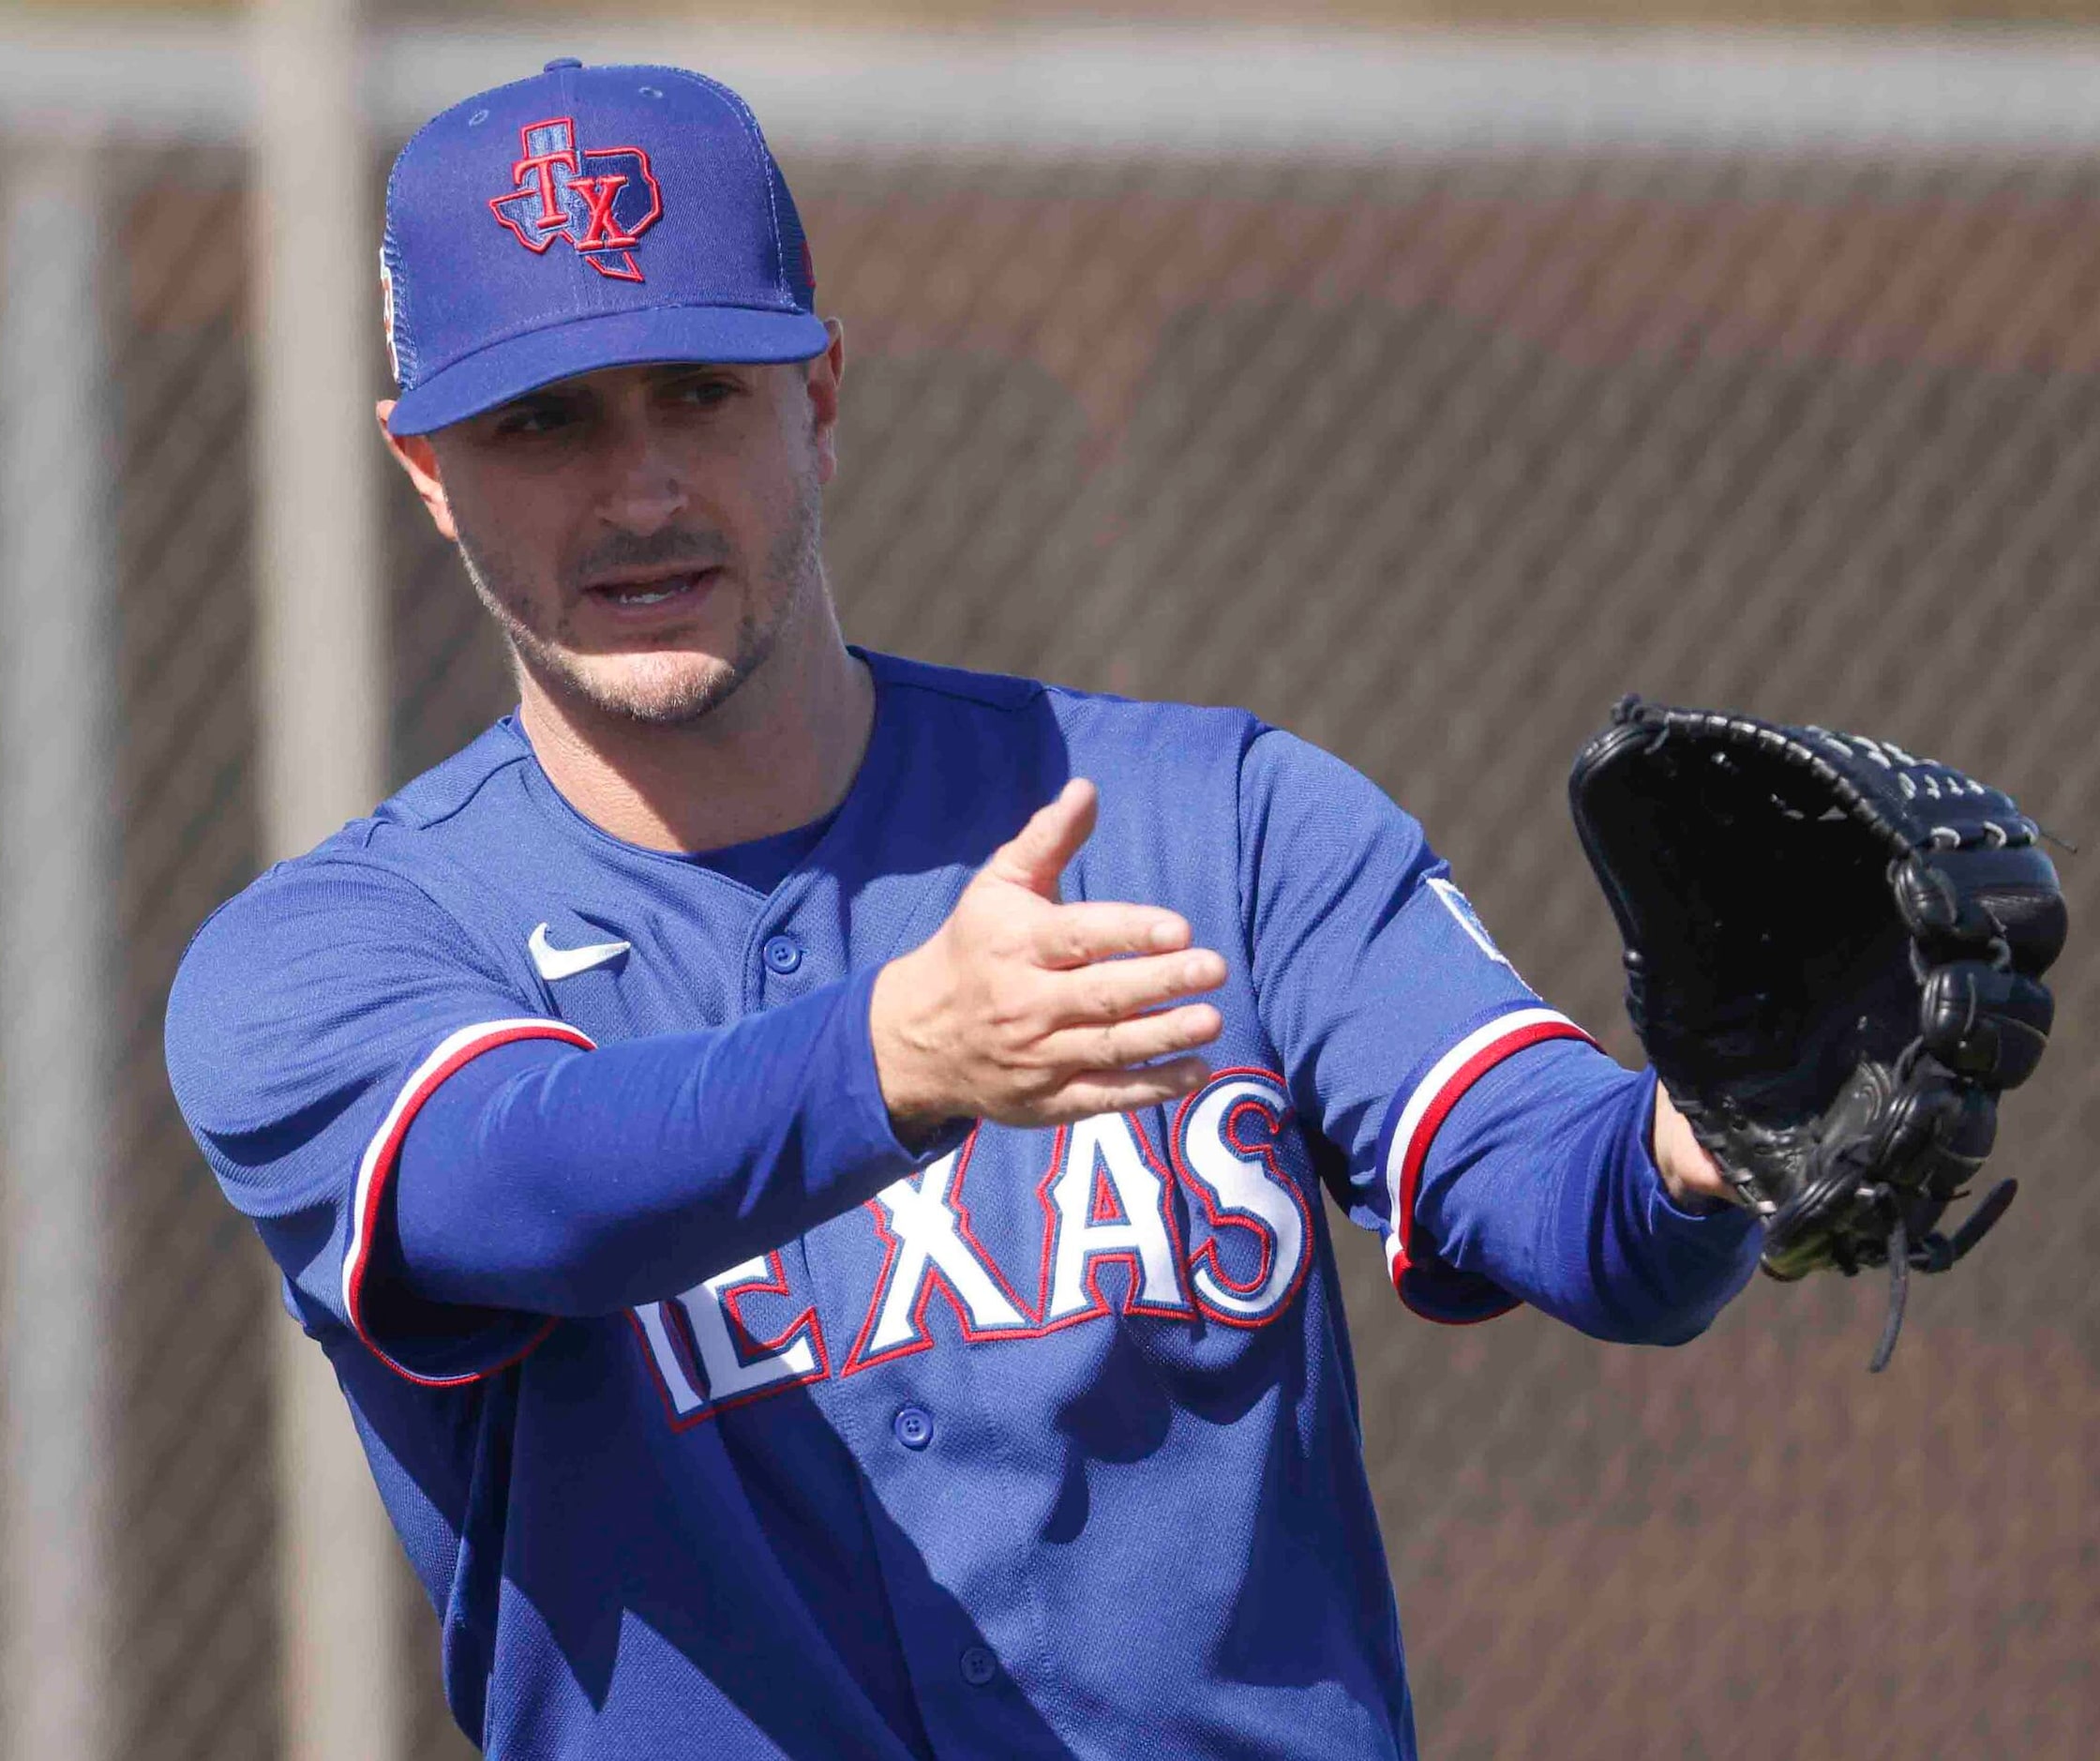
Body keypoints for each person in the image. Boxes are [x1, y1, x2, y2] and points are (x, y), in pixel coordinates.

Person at [163, 62, 1765, 1758]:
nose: (637, 492)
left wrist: (1719, 1132)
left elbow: (1576, 1202)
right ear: (426, 467)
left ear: (821, 398)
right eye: (545, 421)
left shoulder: (1215, 818)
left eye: (700, 390)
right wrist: (895, 1058)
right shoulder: (330, 956)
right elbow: (523, 1177)